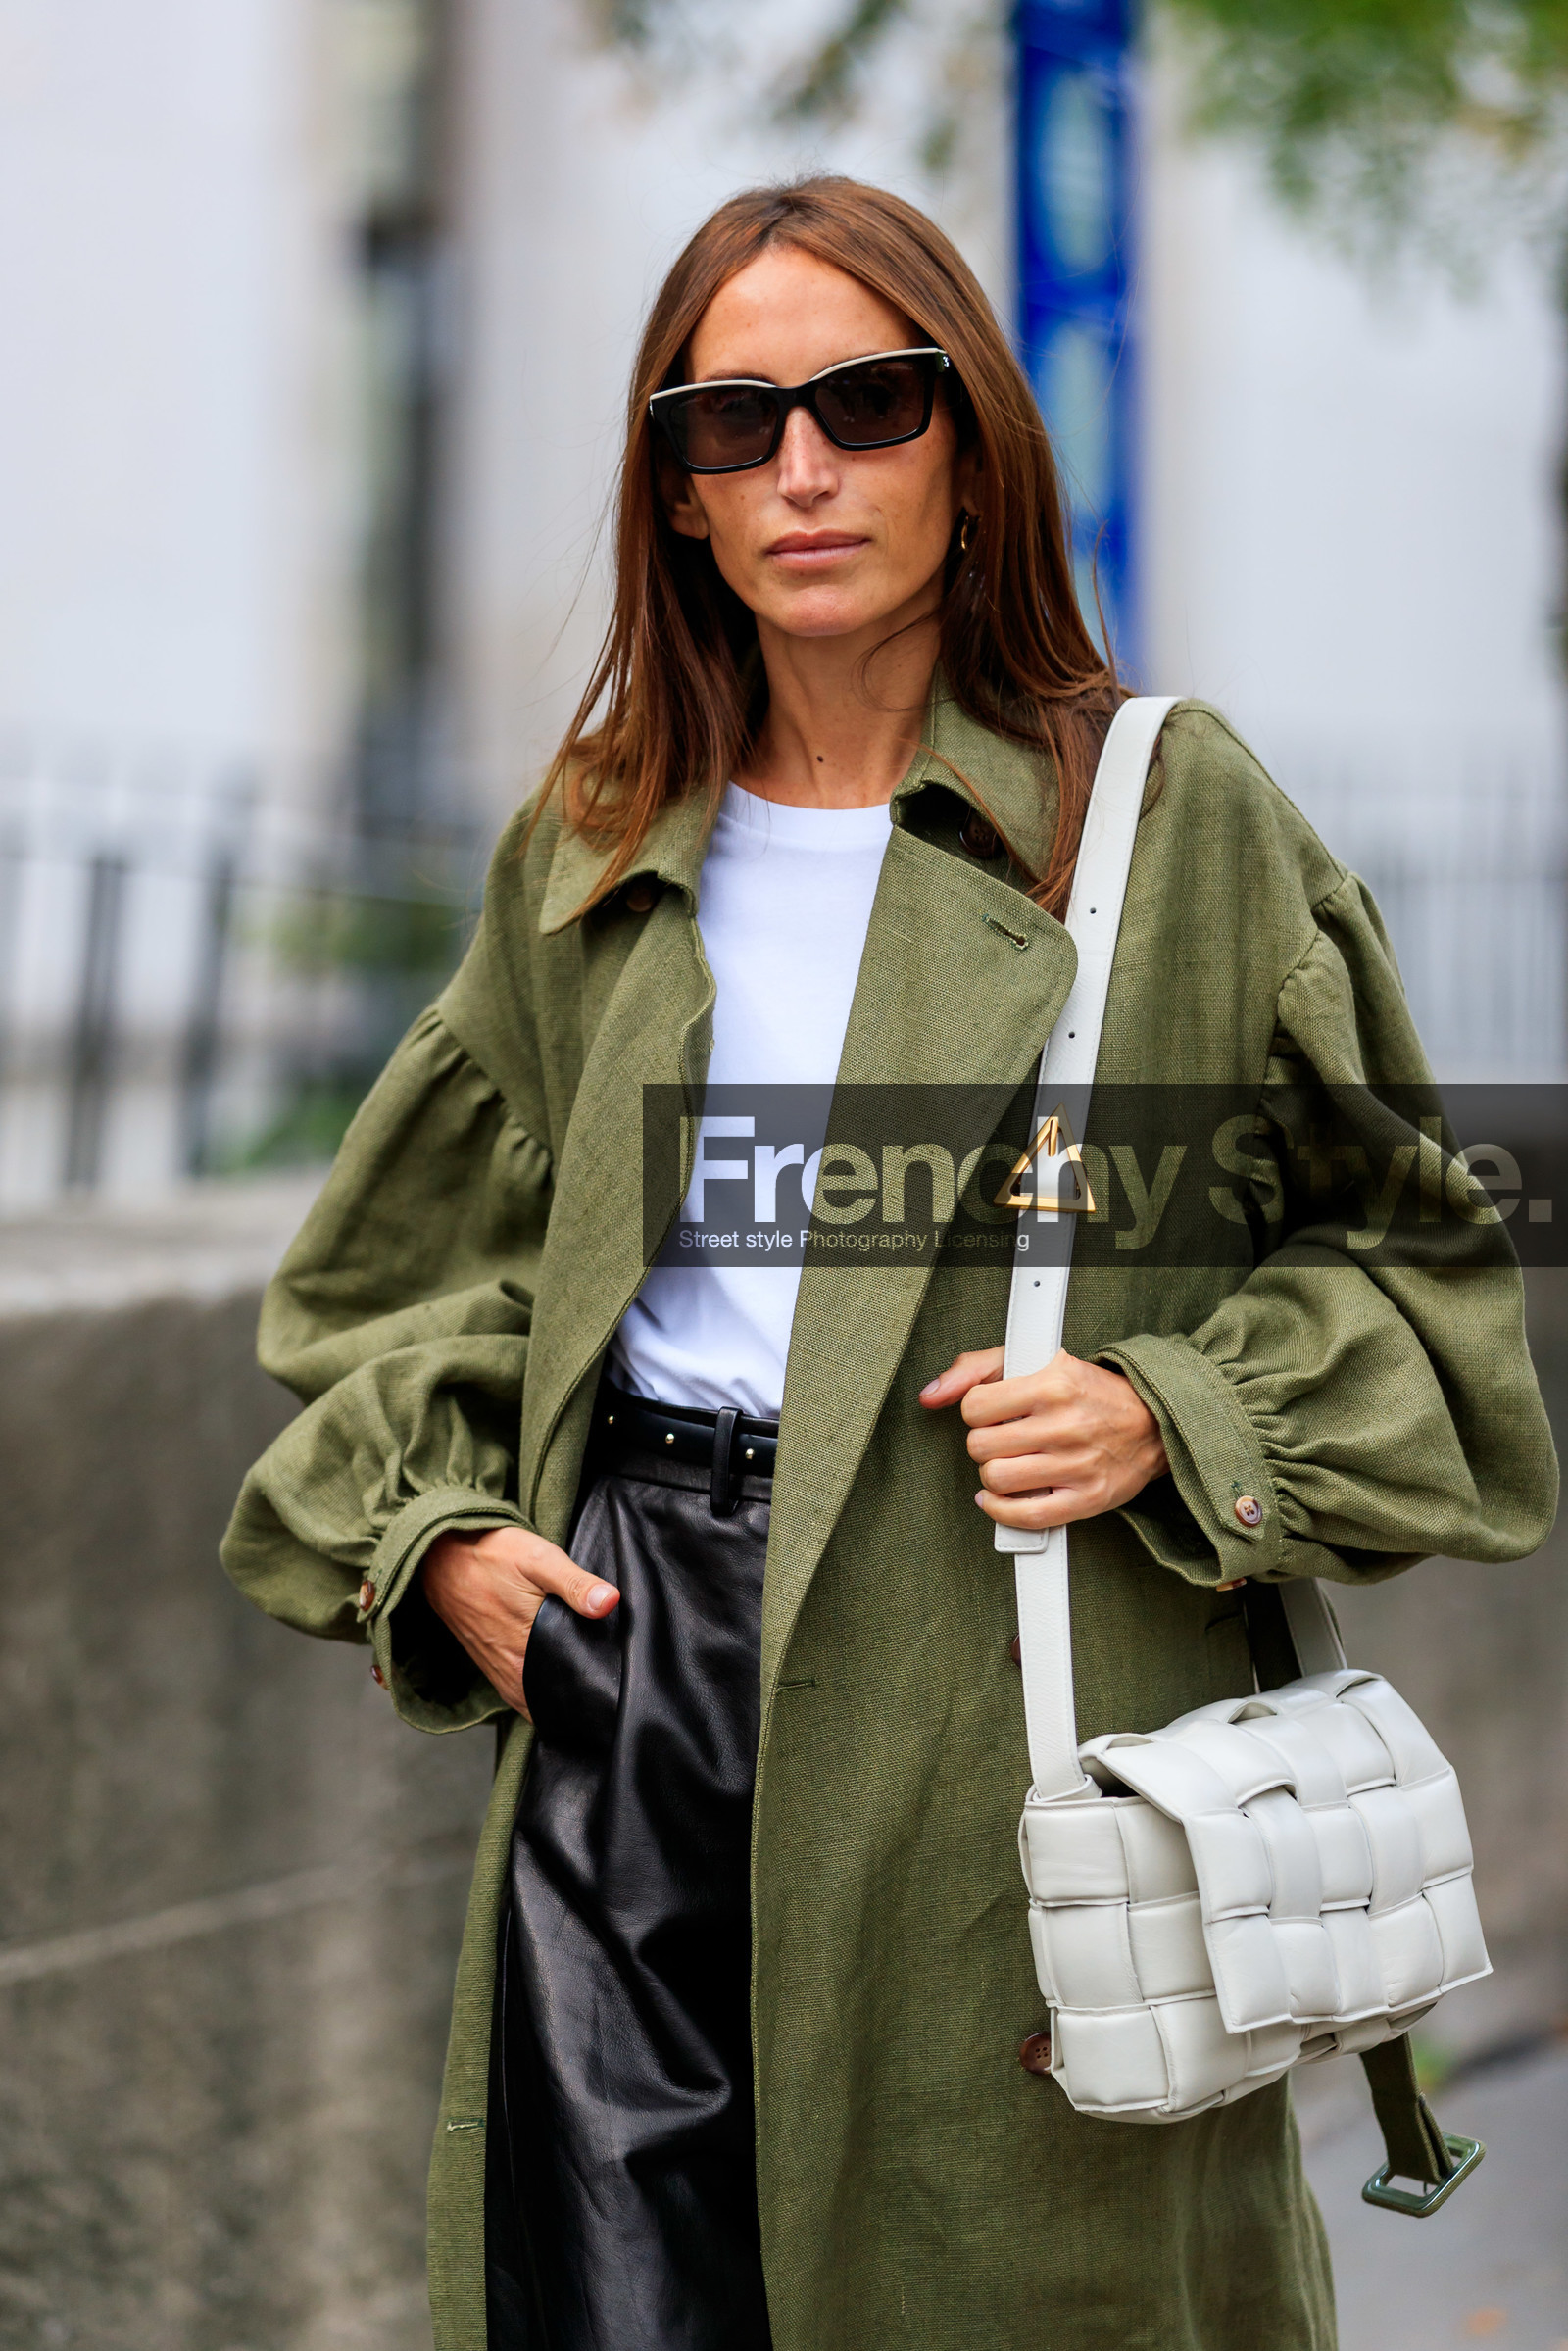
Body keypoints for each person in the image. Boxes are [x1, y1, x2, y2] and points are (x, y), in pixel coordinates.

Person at [222, 176, 1556, 2351]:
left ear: (973, 443)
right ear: (673, 492)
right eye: (733, 423)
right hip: (628, 1660)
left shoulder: (1155, 815)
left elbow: (1421, 1256)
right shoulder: (591, 839)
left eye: (866, 400)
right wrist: (437, 1542)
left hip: (999, 1668)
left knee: (1007, 2280)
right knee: (617, 2293)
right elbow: (404, 1288)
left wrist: (1171, 1407)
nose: (804, 470)